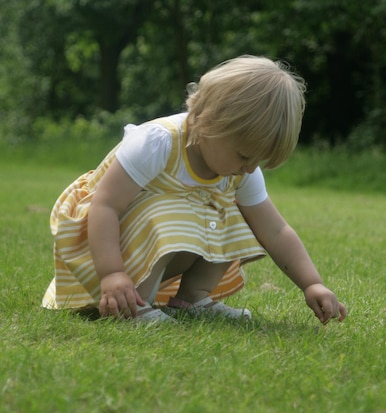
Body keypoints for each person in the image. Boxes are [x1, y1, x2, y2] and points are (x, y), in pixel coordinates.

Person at [42, 55, 346, 325]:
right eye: (243, 156)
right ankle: (136, 305)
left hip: (140, 242)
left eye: (258, 160)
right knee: (169, 210)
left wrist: (312, 284)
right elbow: (105, 206)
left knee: (240, 215)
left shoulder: (240, 171)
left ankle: (191, 299)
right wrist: (111, 273)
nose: (250, 168)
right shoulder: (157, 143)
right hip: (97, 242)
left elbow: (275, 231)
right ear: (207, 121)